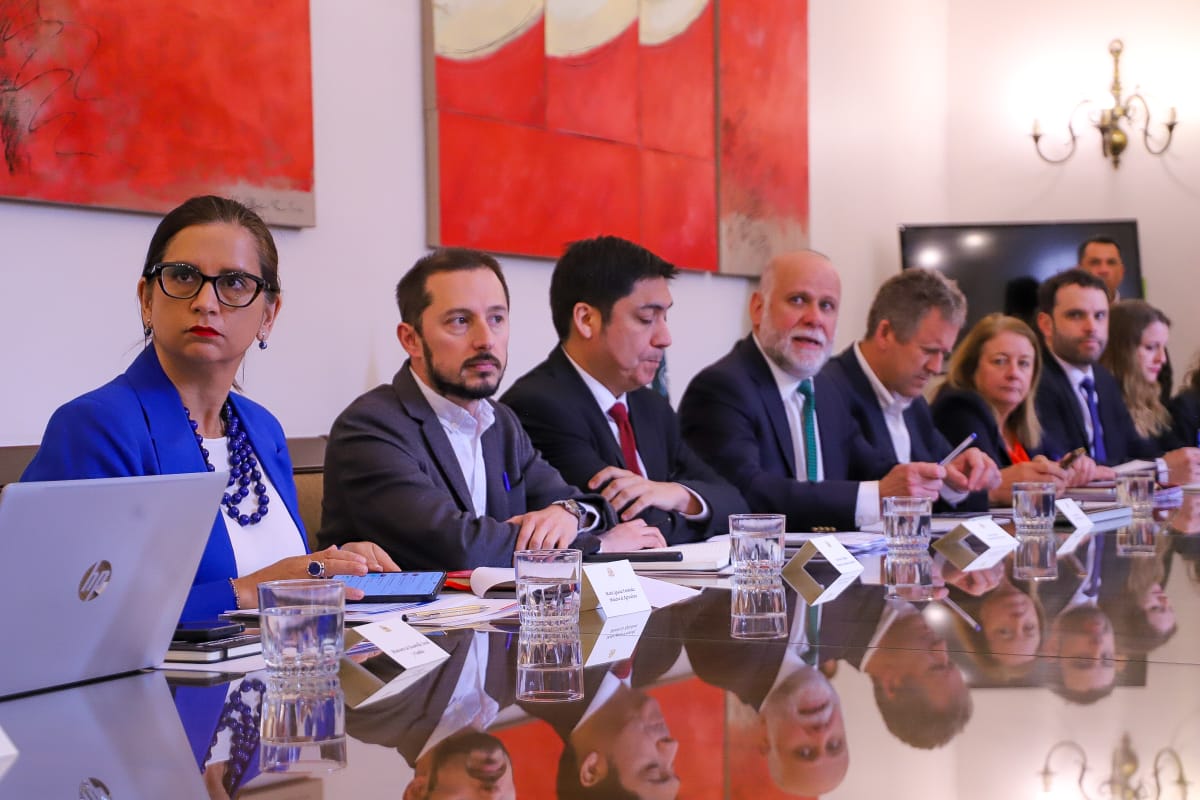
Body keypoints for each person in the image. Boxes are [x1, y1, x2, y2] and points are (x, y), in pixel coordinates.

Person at [21, 196, 396, 620]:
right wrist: (246, 592)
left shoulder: (263, 429)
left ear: (268, 315)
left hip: (280, 661)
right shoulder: (95, 427)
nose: (206, 301)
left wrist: (336, 566)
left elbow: (281, 575)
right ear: (146, 299)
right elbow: (69, 609)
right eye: (183, 276)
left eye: (234, 283)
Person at [319, 248, 662, 571]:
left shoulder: (501, 422)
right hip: (403, 616)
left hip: (499, 612)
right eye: (460, 321)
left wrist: (568, 513)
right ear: (411, 340)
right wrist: (598, 546)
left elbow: (583, 503)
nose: (485, 339)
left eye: (497, 318)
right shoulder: (370, 427)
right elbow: (459, 548)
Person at [678, 250, 950, 532]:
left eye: (827, 305)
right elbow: (743, 494)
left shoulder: (827, 387)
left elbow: (870, 469)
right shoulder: (722, 388)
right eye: (798, 300)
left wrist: (937, 478)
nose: (815, 318)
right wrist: (876, 495)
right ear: (758, 309)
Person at [502, 236, 747, 544]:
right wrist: (682, 513)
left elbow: (735, 505)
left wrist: (676, 494)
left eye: (665, 317)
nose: (665, 338)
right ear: (586, 320)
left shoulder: (651, 406)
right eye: (647, 318)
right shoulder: (540, 406)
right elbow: (631, 523)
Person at [821, 268, 1000, 509]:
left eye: (944, 355)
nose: (936, 367)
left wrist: (957, 478)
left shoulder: (915, 404)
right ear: (885, 333)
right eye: (928, 351)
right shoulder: (828, 390)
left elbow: (937, 487)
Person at [1033, 269, 1200, 483]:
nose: (1091, 327)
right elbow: (1067, 468)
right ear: (1046, 324)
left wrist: (1171, 463)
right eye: (1076, 315)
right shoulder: (1035, 382)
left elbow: (1136, 453)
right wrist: (1161, 468)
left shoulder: (1102, 380)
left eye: (1100, 316)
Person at [932, 313, 1106, 504]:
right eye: (1000, 361)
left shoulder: (1021, 420)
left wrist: (1069, 469)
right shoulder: (960, 409)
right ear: (971, 367)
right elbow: (977, 488)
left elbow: (1054, 461)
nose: (1014, 373)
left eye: (1023, 363)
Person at [1100, 300, 1182, 451]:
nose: (1162, 359)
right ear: (1122, 350)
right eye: (1150, 347)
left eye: (1163, 348)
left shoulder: (1150, 398)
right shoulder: (1101, 401)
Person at [1077, 235, 1126, 300]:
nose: (1103, 270)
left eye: (1111, 263)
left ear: (1121, 272)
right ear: (1079, 271)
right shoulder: (1065, 306)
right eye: (1095, 262)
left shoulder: (1135, 306)